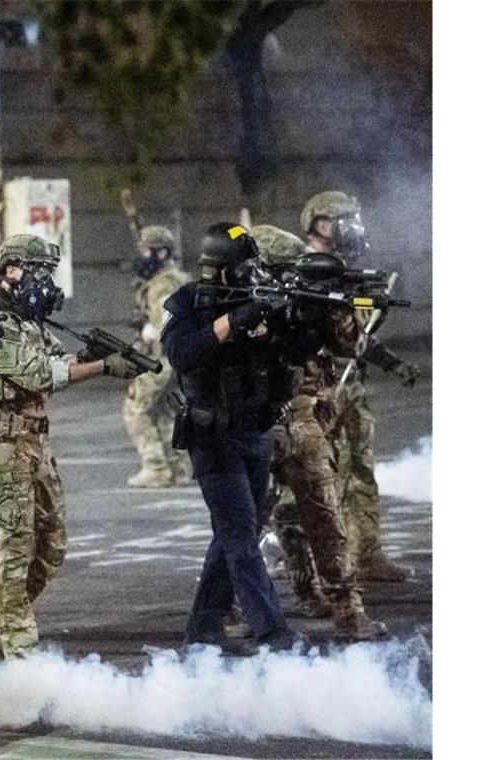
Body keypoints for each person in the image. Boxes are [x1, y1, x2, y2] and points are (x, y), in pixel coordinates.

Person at [0, 234, 145, 658]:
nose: (45, 282)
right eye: (38, 272)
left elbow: (55, 361)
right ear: (10, 270)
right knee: (14, 553)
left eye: (48, 273)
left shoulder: (25, 321)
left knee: (50, 546)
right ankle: (24, 658)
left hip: (32, 447)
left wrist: (90, 356)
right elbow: (36, 375)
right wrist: (103, 366)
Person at [160, 222, 297, 651]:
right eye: (243, 268)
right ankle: (272, 632)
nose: (250, 276)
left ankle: (202, 630)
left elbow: (293, 354)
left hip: (254, 429)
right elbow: (181, 352)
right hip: (213, 435)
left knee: (235, 532)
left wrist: (285, 319)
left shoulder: (257, 300)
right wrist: (234, 320)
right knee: (240, 536)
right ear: (220, 270)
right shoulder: (188, 303)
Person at [252, 224, 386, 640]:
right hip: (257, 423)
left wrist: (336, 309)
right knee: (246, 529)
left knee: (323, 519)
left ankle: (348, 612)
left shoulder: (306, 305)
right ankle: (240, 607)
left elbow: (354, 348)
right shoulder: (245, 305)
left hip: (303, 419)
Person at [300, 191, 419, 582]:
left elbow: (358, 337)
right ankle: (316, 564)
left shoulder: (352, 270)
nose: (348, 227)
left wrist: (390, 361)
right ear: (317, 222)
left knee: (361, 471)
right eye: (339, 219)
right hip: (318, 387)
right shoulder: (302, 268)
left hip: (352, 388)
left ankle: (366, 553)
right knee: (318, 477)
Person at [124, 225, 192, 487]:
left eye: (146, 250)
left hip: (160, 359)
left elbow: (163, 321)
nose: (142, 256)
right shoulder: (177, 278)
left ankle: (156, 467)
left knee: (136, 409)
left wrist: (147, 330)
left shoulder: (164, 284)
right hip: (177, 358)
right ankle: (177, 468)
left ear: (161, 253)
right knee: (163, 412)